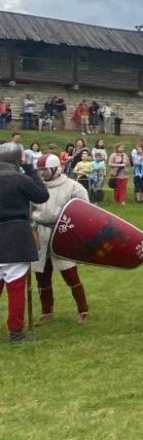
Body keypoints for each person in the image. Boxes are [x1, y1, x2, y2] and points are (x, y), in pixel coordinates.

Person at [31, 155, 92, 326]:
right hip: (40, 233)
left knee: (70, 275)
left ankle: (83, 311)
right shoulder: (35, 187)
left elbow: (85, 212)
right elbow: (28, 210)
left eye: (44, 169)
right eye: (40, 170)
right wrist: (32, 230)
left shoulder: (73, 187)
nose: (41, 173)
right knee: (42, 277)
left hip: (63, 234)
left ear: (55, 168)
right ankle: (47, 312)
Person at [0, 143, 49, 343]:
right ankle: (16, 332)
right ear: (18, 160)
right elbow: (42, 195)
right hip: (16, 236)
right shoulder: (20, 179)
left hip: (11, 233)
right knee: (16, 287)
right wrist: (30, 170)